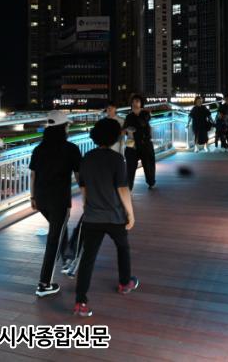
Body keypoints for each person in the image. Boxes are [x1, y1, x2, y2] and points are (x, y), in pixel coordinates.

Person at [74, 118, 138, 317]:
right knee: (123, 248)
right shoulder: (117, 159)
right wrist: (130, 214)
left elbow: (83, 187)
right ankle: (125, 283)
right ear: (114, 137)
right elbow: (122, 189)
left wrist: (87, 206)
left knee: (88, 258)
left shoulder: (87, 158)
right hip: (114, 216)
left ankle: (80, 301)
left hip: (92, 216)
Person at [29, 110, 82, 297]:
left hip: (41, 200)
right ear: (63, 127)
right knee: (54, 239)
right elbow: (79, 175)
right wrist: (87, 195)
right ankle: (44, 284)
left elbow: (33, 175)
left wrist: (32, 198)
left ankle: (67, 258)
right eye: (67, 125)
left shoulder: (38, 149)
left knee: (58, 230)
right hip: (59, 201)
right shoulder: (71, 149)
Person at [123, 94, 156, 190]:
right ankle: (129, 187)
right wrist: (127, 130)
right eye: (133, 102)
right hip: (132, 143)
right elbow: (125, 130)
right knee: (130, 165)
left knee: (148, 165)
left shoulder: (145, 114)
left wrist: (137, 114)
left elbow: (142, 123)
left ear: (141, 104)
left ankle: (151, 182)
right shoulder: (129, 116)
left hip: (145, 143)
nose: (135, 104)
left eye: (137, 101)